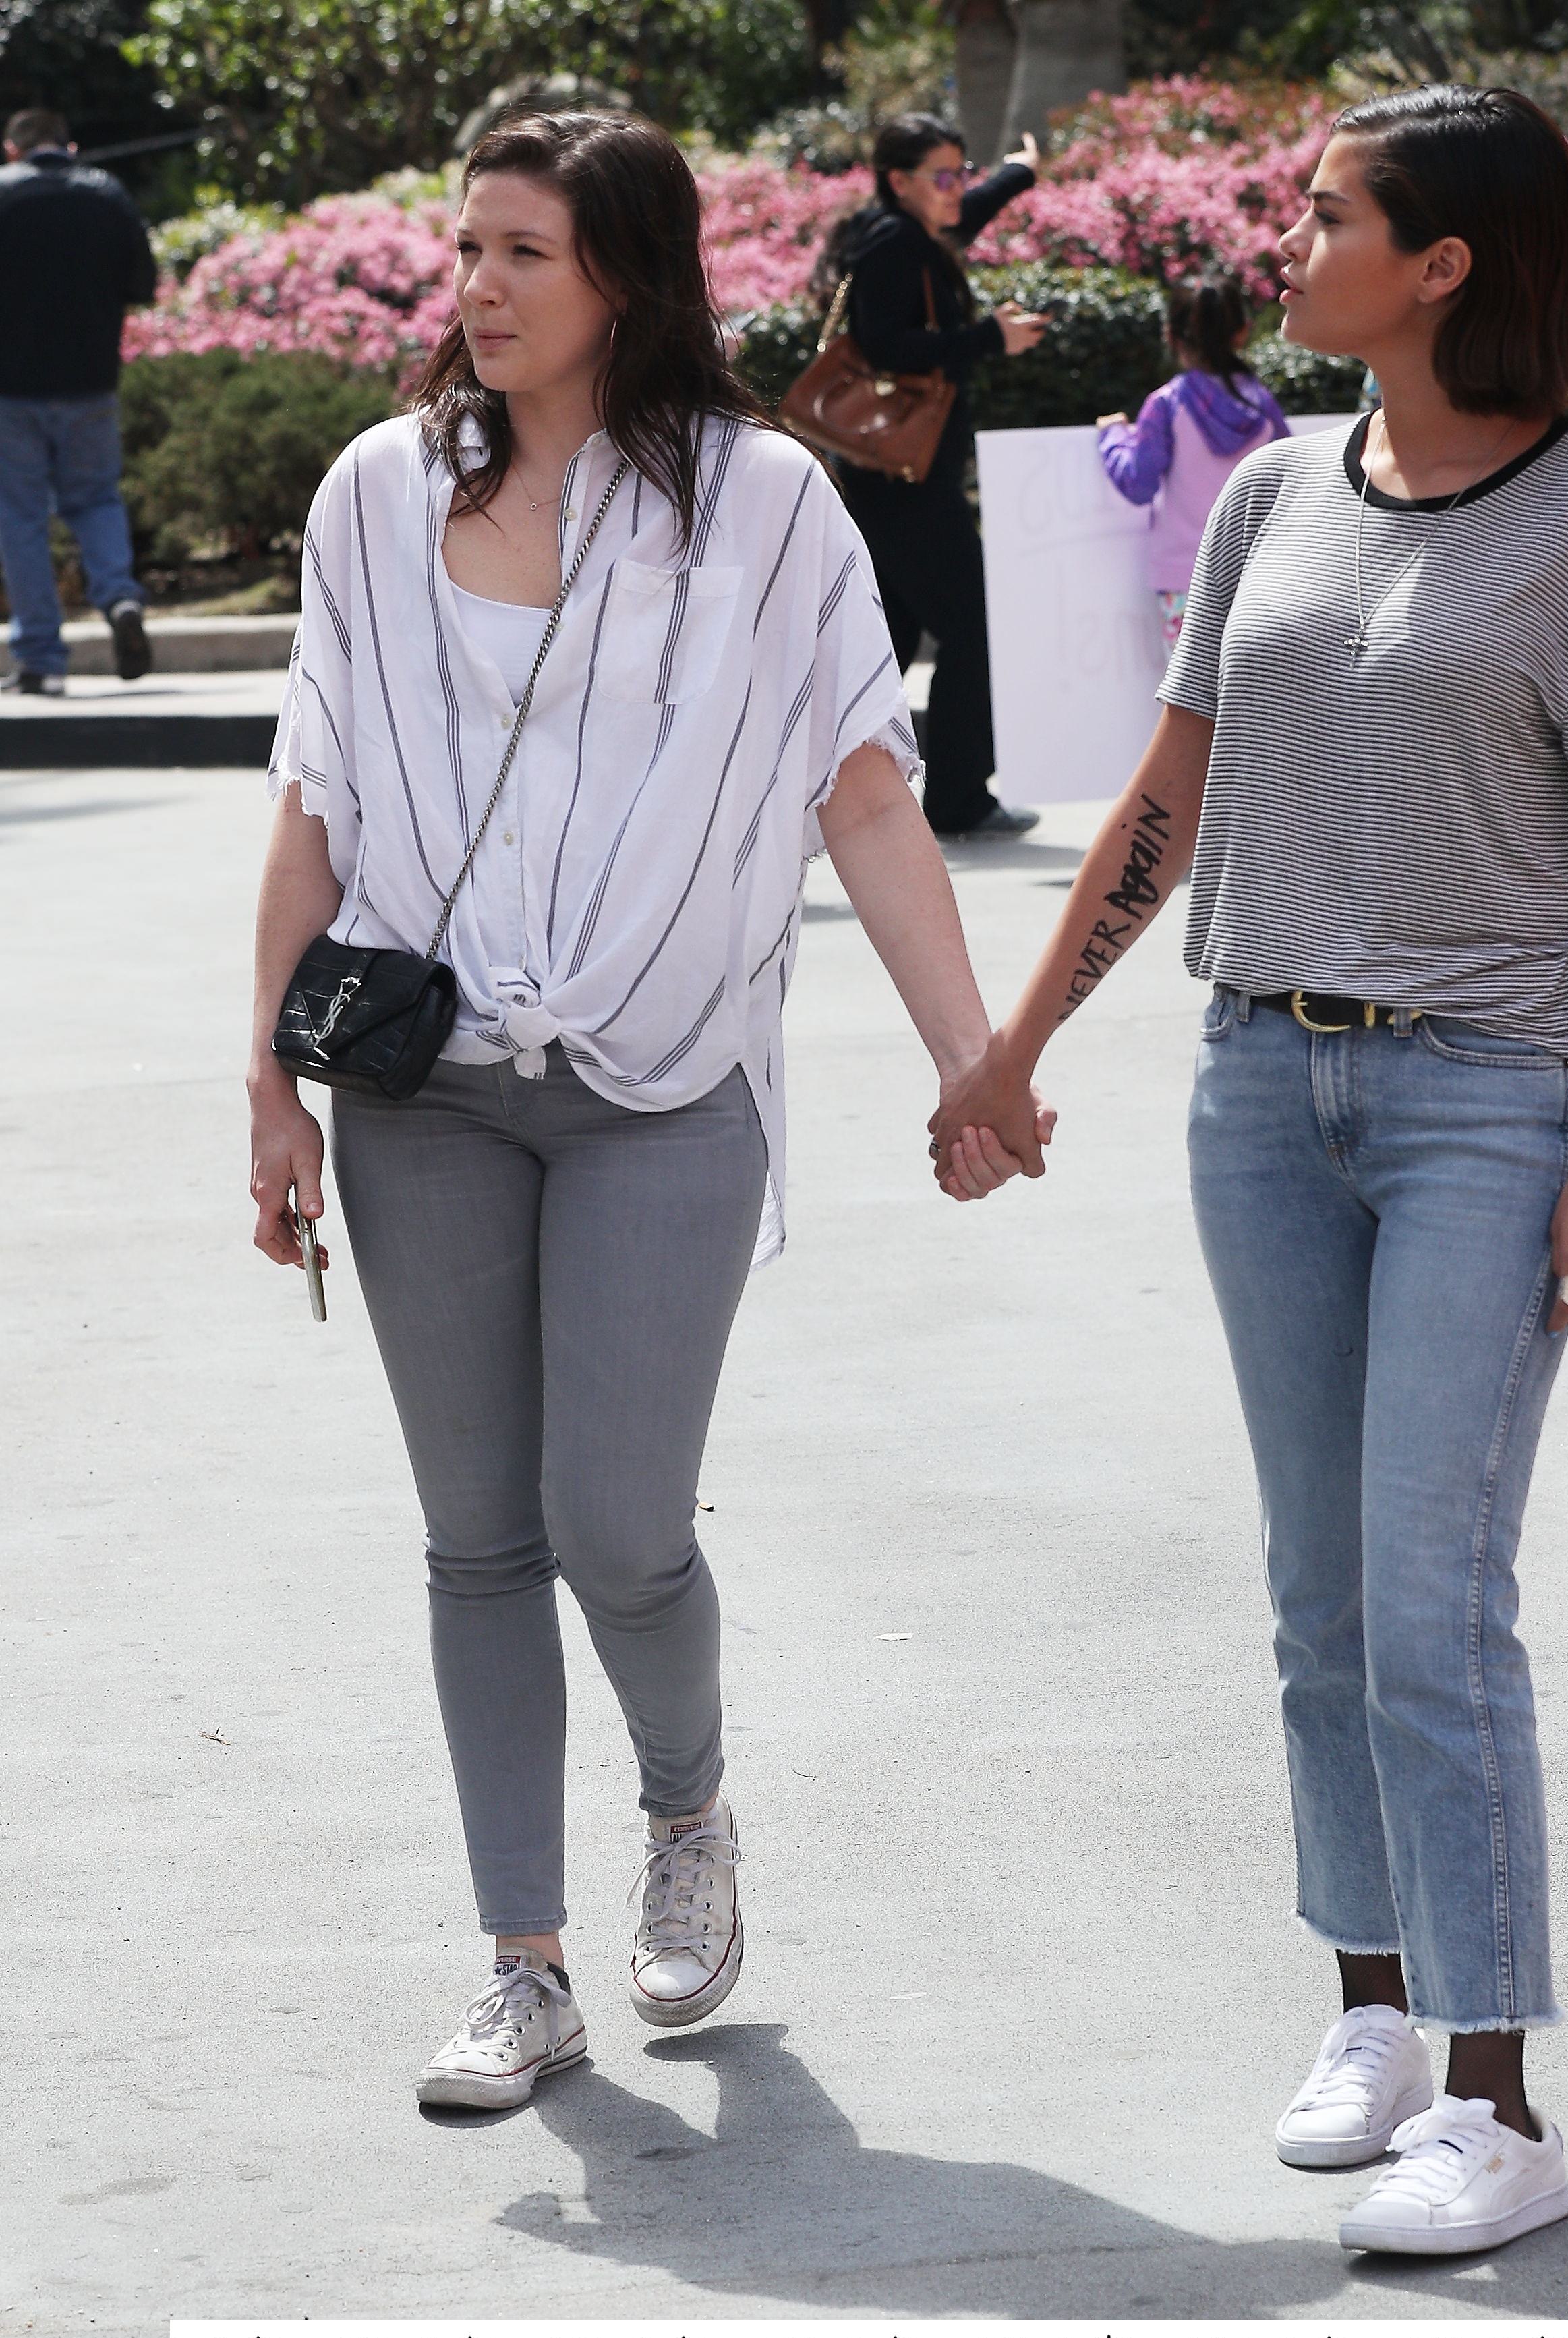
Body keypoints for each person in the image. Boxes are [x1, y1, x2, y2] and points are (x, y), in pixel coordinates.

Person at [931, 86, 1568, 2256]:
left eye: (1329, 209)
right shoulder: (1274, 485)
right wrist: (1015, 1040)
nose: (1290, 233)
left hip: (1486, 1101)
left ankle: (1501, 2091)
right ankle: (1370, 2007)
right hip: (1258, 1086)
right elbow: (1171, 797)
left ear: (1445, 260)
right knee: (1318, 1600)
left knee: (1436, 1602)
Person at [246, 109, 1044, 2112]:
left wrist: (976, 1051)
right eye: (468, 251)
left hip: (661, 1083)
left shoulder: (765, 509)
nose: (481, 289)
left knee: (616, 1516)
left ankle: (686, 1811)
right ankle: (521, 1963)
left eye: (525, 252)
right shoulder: (374, 494)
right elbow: (314, 804)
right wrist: (265, 1081)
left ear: (627, 272)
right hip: (420, 1087)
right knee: (475, 1535)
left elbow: (865, 787)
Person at [821, 113, 1051, 841]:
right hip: (908, 486)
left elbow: (966, 215)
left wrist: (1018, 172)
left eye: (963, 171)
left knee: (888, 637)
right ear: (900, 182)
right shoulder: (897, 243)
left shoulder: (912, 231)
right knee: (975, 627)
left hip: (898, 482)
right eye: (944, 176)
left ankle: (837, 795)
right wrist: (991, 337)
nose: (959, 189)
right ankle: (957, 798)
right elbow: (886, 343)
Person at [0, 107, 154, 697]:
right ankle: (118, 600)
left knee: (20, 518)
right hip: (91, 381)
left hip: (11, 389)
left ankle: (41, 658)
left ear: (12, 151)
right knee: (94, 499)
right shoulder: (106, 194)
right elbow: (141, 282)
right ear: (71, 147)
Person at [1095, 275, 1291, 650]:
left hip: (1183, 581)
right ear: (1242, 333)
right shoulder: (1263, 406)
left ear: (1171, 336)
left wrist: (1113, 436)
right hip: (1260, 582)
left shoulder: (1167, 405)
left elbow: (1138, 483)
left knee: (1192, 705)